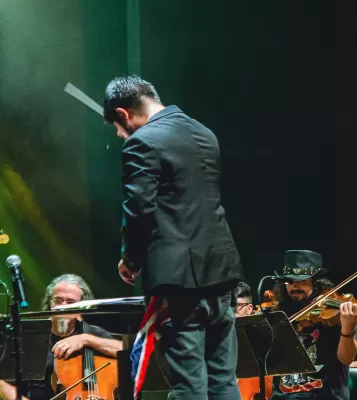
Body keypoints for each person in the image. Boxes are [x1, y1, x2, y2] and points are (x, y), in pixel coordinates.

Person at [103, 75, 244, 399]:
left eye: (118, 127)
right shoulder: (203, 132)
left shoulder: (142, 142)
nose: (121, 135)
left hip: (180, 284)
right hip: (221, 271)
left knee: (188, 386)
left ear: (123, 114)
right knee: (223, 381)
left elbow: (139, 209)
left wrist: (131, 258)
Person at [0, 274, 123, 400]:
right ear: (49, 302)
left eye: (71, 302)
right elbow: (2, 384)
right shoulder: (27, 335)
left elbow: (128, 352)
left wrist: (86, 339)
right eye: (58, 301)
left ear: (83, 307)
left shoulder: (93, 334)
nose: (63, 306)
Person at [269, 250, 357, 399]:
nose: (294, 287)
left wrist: (348, 328)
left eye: (302, 281)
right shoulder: (280, 315)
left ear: (316, 283)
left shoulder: (334, 314)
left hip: (324, 395)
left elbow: (347, 359)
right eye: (290, 282)